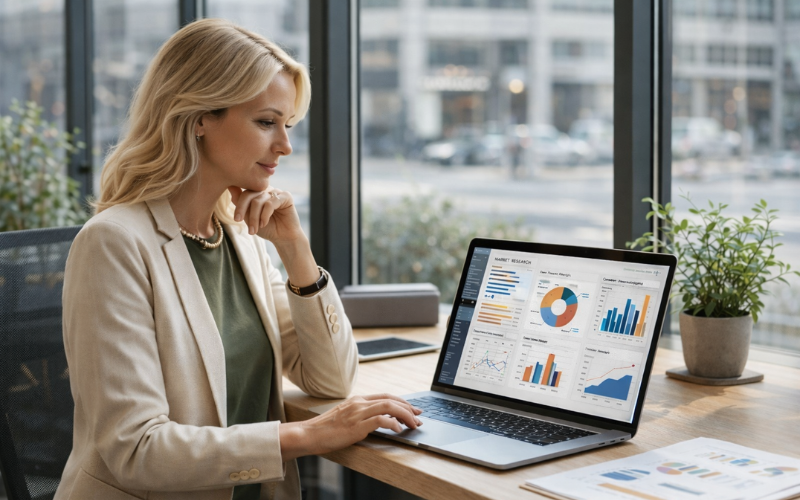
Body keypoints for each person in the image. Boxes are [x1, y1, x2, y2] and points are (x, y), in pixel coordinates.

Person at [55, 19, 421, 500]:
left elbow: (331, 379)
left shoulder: (239, 238)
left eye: (287, 125)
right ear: (198, 118)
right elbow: (137, 450)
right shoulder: (113, 244)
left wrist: (295, 249)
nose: (285, 145)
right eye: (266, 122)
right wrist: (309, 435)